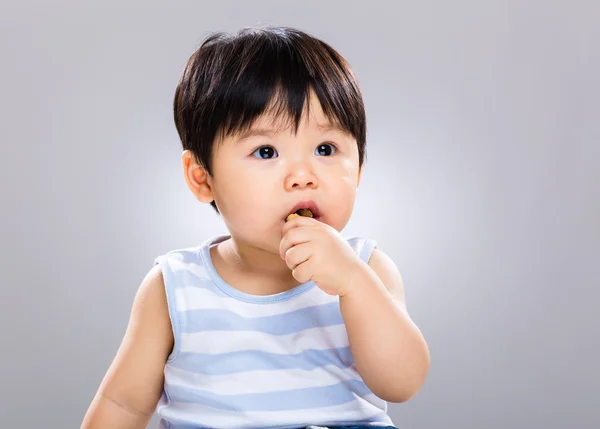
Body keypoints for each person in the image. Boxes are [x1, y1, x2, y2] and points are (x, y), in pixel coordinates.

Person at [81, 26, 430, 429]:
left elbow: (402, 383)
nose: (303, 175)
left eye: (325, 149)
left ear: (360, 168)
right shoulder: (175, 287)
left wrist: (353, 283)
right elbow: (122, 405)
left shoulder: (367, 268)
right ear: (202, 178)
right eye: (266, 151)